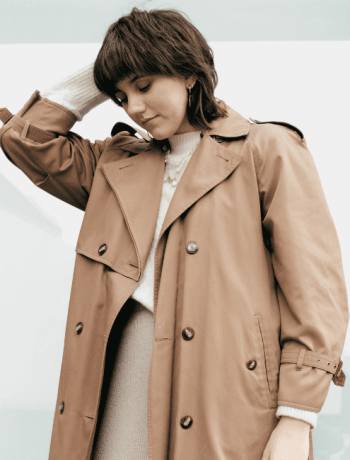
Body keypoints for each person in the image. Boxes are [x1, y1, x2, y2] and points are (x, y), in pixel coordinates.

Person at [0, 7, 348, 460]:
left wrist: (297, 418)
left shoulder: (267, 150)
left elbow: (315, 294)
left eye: (144, 85)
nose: (135, 108)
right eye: (121, 97)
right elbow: (29, 141)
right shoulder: (114, 164)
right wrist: (110, 66)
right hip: (117, 376)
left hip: (223, 391)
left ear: (187, 73)